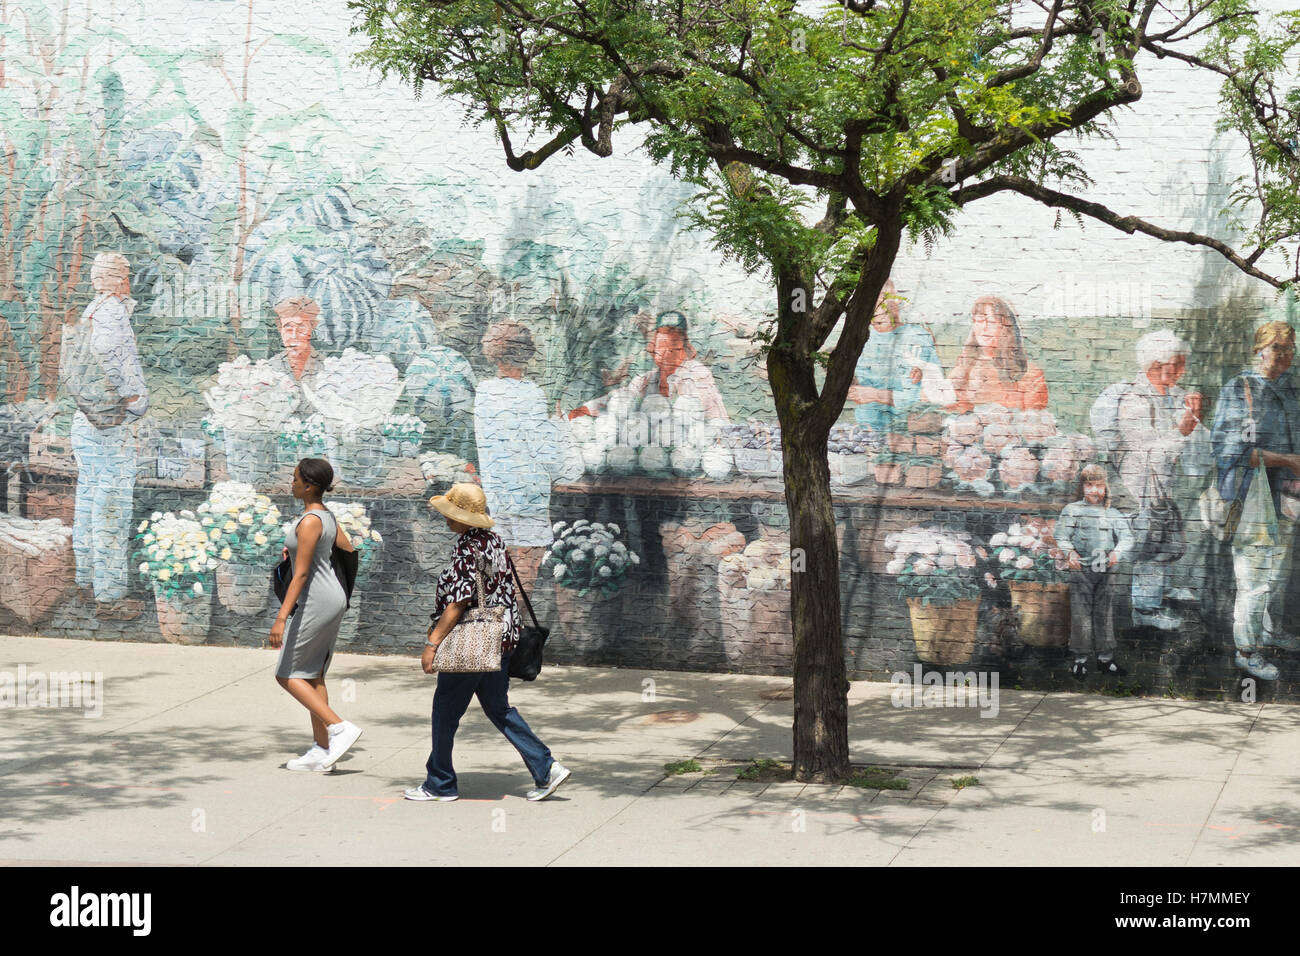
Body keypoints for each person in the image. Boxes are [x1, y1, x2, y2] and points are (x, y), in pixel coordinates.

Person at [406, 482, 570, 802]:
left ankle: (439, 783)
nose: (445, 519)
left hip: (475, 641)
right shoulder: (493, 540)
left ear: (467, 517)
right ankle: (546, 767)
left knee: (445, 712)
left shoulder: (468, 549)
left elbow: (458, 602)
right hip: (502, 637)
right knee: (499, 708)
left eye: (452, 514)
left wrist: (433, 643)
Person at [1210, 321, 1300, 681]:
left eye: (1290, 347)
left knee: (1278, 574)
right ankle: (1246, 651)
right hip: (1253, 500)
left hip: (1288, 497)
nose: (1285, 354)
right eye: (1277, 347)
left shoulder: (1292, 392)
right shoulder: (1241, 389)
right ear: (1258, 349)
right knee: (1255, 578)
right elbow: (1230, 451)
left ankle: (1268, 631)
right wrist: (1288, 460)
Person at [63, 253, 148, 621]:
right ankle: (110, 598)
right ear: (116, 279)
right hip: (109, 426)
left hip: (86, 422)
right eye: (125, 274)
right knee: (111, 511)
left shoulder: (92, 310)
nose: (129, 280)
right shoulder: (112, 312)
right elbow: (117, 363)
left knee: (88, 502)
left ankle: (85, 583)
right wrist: (136, 402)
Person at [270, 458, 363, 772]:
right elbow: (348, 550)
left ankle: (339, 728)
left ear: (309, 485)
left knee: (287, 674)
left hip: (316, 601)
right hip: (332, 598)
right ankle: (323, 749)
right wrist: (298, 552)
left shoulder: (310, 521)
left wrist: (282, 618)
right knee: (312, 675)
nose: (291, 483)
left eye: (295, 478)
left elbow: (301, 575)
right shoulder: (327, 517)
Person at [1116, 330, 1211, 629]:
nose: (1182, 370)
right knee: (1151, 541)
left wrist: (1196, 419)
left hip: (1166, 479)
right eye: (1177, 364)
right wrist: (1183, 430)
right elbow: (1147, 450)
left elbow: (1195, 442)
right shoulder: (1134, 400)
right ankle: (1144, 609)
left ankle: (1164, 589)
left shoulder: (1175, 394)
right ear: (1157, 364)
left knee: (1169, 535)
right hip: (1141, 482)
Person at [474, 321, 558, 592]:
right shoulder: (531, 394)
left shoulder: (484, 392)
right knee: (525, 568)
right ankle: (516, 628)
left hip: (497, 492)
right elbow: (542, 449)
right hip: (529, 494)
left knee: (499, 564)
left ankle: (498, 625)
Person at [567, 310, 730, 424]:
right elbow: (621, 397)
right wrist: (585, 409)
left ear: (684, 348)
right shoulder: (647, 380)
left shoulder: (698, 373)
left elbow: (694, 410)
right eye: (662, 345)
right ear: (654, 349)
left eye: (674, 345)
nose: (667, 352)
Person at [1056, 464, 1136, 681]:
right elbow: (1062, 536)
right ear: (1082, 487)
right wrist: (1070, 553)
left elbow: (1127, 538)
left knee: (1104, 611)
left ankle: (1105, 658)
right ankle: (1080, 660)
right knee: (1081, 613)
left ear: (1106, 488)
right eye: (1090, 485)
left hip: (1106, 568)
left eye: (1099, 486)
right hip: (1081, 567)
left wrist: (1117, 553)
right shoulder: (1073, 510)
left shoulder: (1112, 513)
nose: (1094, 491)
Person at [846, 279, 942, 433]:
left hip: (907, 434)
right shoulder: (860, 339)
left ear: (897, 301)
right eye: (873, 300)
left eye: (884, 298)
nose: (879, 306)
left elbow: (914, 398)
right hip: (865, 433)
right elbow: (853, 390)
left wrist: (873, 395)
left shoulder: (916, 337)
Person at [943, 295, 1048, 412]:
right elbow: (945, 410)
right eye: (979, 321)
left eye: (992, 321)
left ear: (1005, 328)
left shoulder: (1031, 375)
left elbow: (1035, 422)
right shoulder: (962, 371)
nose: (984, 327)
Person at [267, 296, 324, 418]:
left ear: (312, 328)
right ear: (280, 329)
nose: (294, 335)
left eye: (301, 327)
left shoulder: (326, 368)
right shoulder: (270, 368)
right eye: (288, 328)